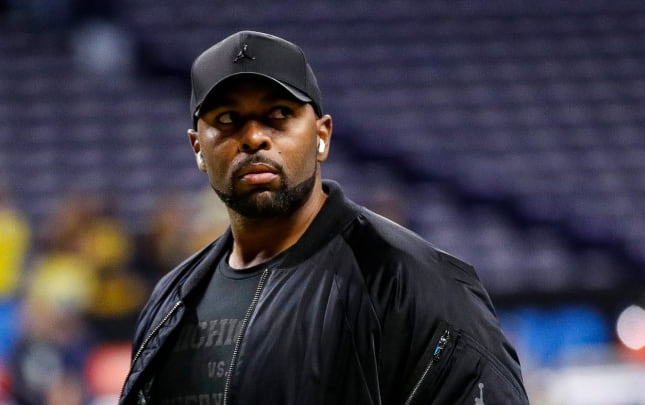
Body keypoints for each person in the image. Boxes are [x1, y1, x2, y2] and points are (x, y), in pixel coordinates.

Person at [120, 31, 528, 404]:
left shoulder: (412, 283)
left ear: (321, 136)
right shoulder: (170, 302)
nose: (253, 136)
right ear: (197, 148)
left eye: (278, 114)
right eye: (228, 119)